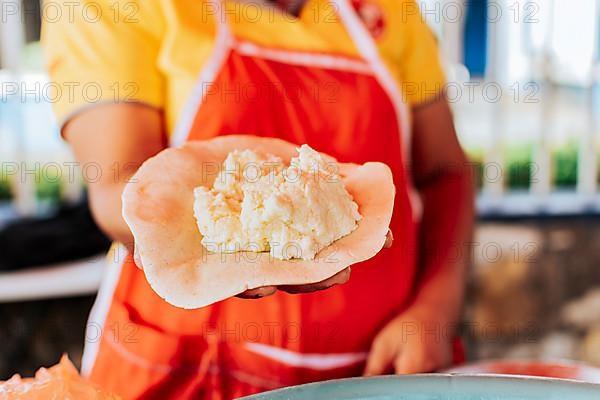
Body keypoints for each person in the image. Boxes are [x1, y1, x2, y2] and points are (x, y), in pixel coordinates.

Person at [42, 0, 474, 398]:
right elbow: (117, 183)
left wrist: (435, 309)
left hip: (377, 369)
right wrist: (227, 242)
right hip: (189, 372)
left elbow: (446, 172)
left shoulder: (389, 9)